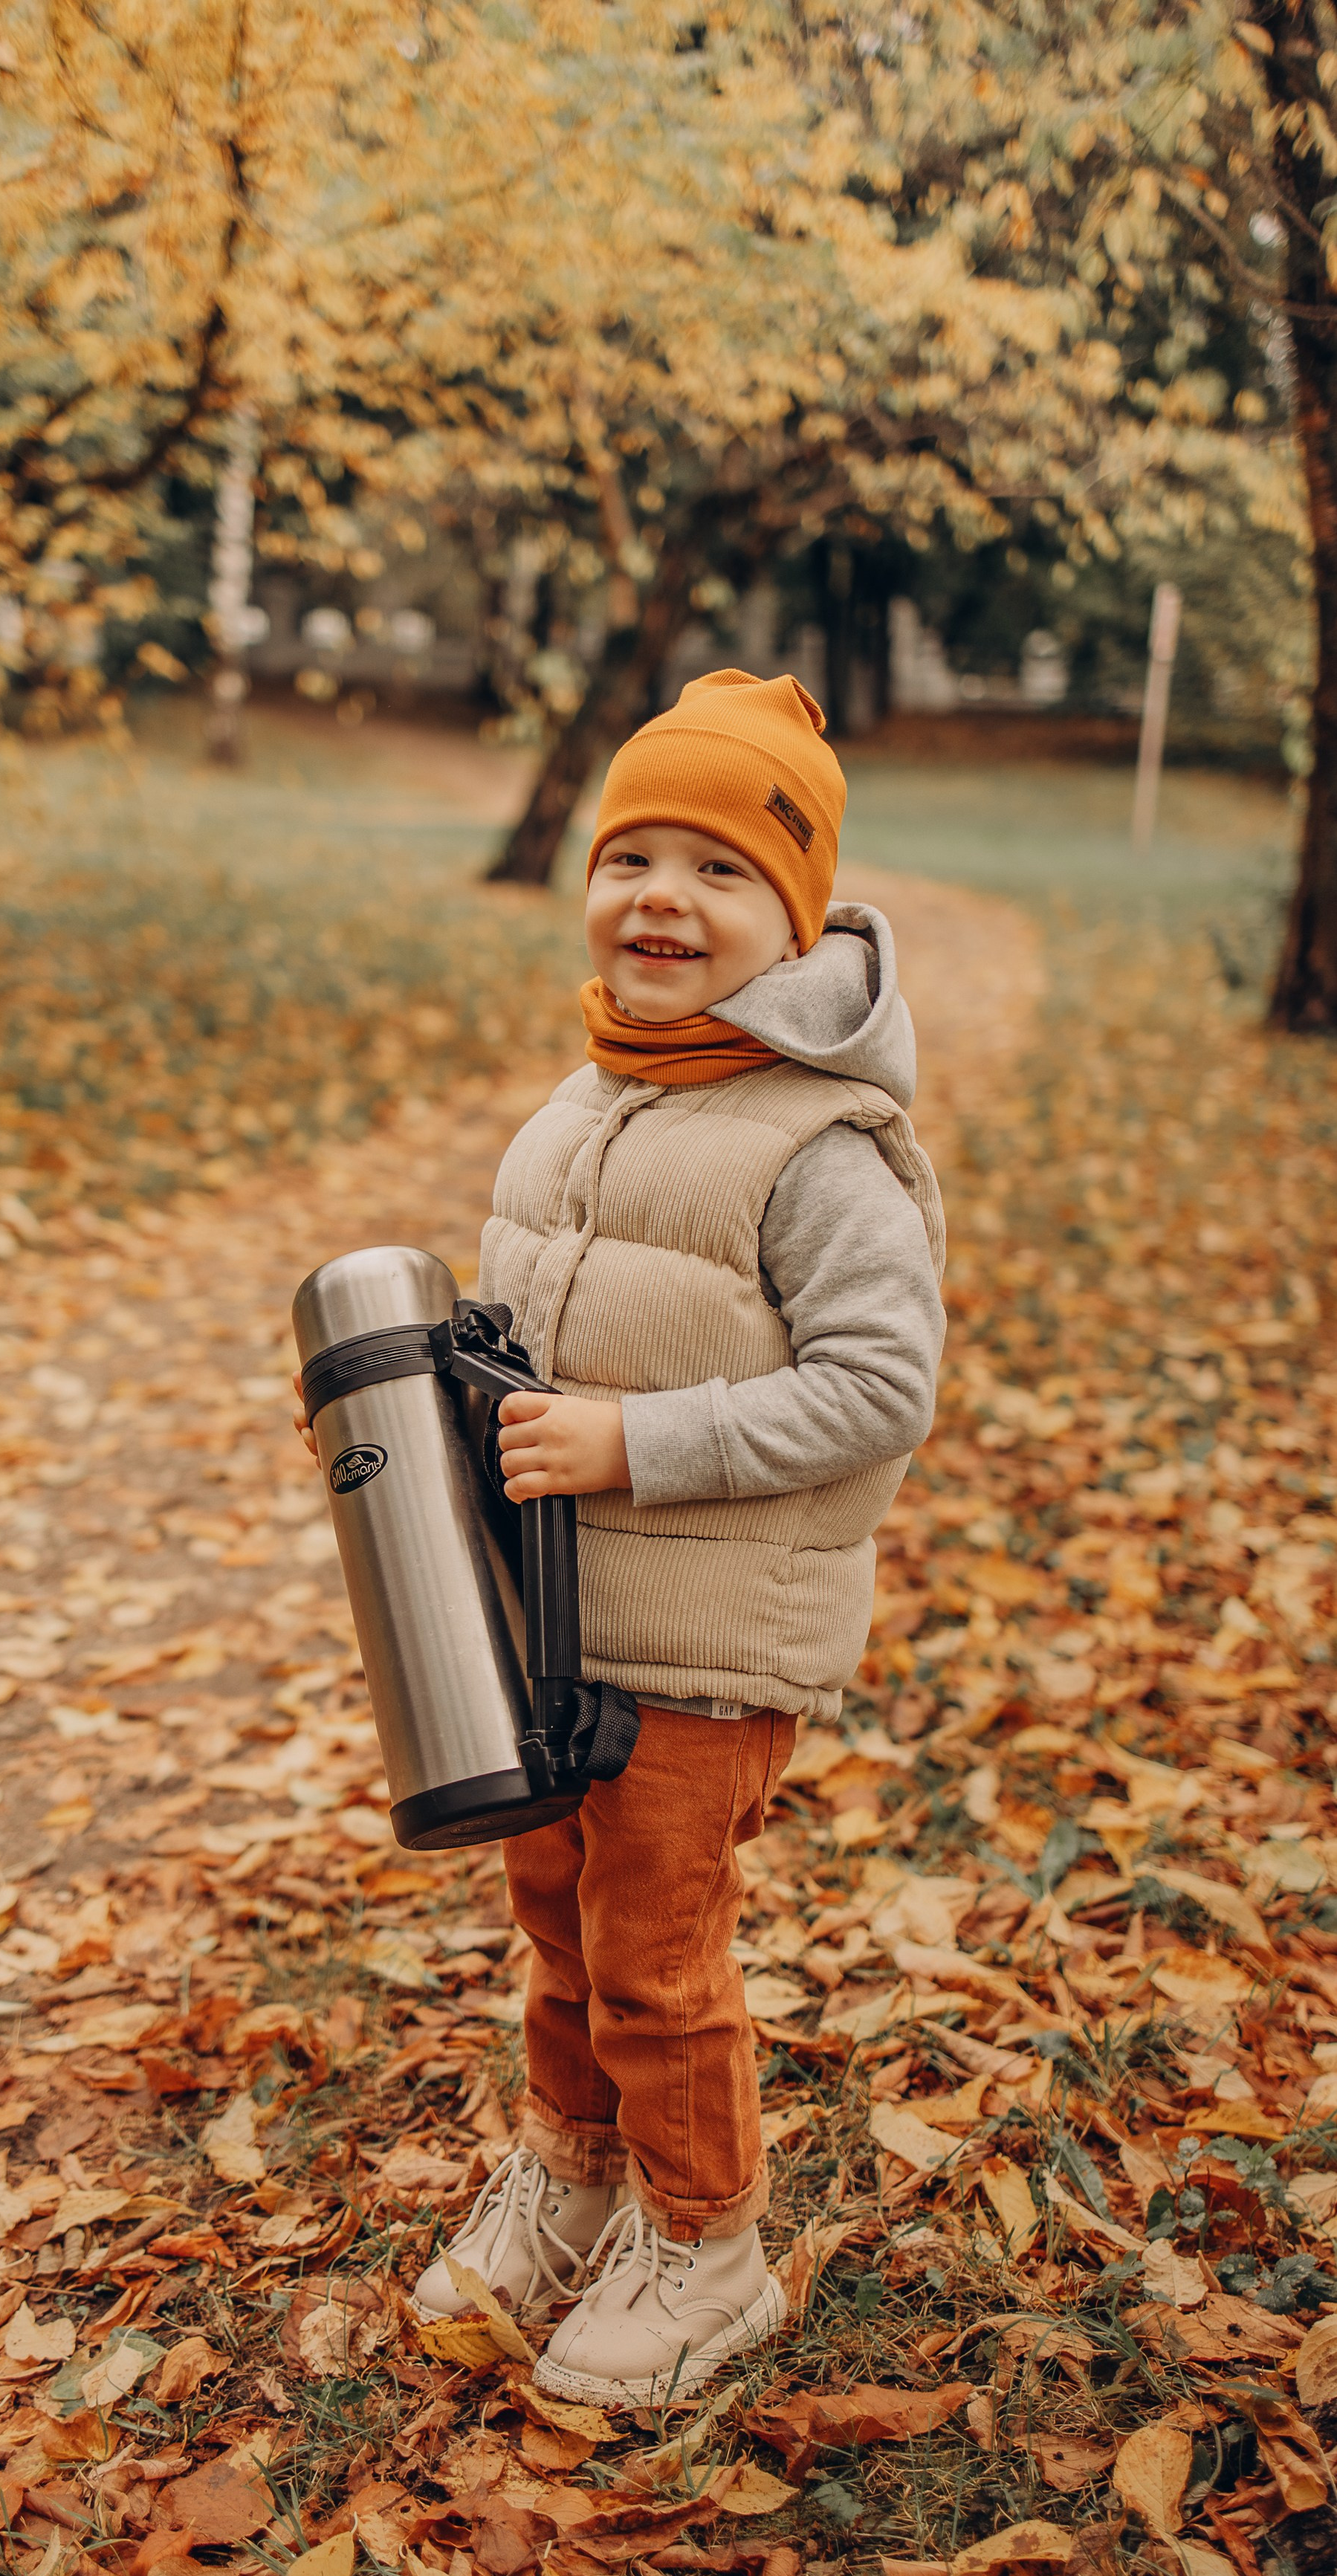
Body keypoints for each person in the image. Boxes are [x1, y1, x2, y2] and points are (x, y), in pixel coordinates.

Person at [406, 669, 947, 2407]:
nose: (661, 896)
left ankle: (707, 2246)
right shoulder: (584, 1103)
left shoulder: (824, 1146)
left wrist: (637, 1442)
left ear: (796, 921)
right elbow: (524, 1343)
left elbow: (879, 1388)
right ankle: (572, 2180)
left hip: (707, 1647)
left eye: (718, 870)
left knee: (654, 1951)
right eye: (629, 851)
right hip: (558, 1628)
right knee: (558, 1925)